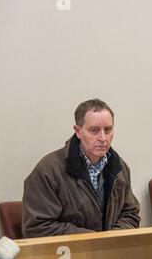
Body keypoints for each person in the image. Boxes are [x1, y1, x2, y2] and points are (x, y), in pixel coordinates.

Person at [22, 99, 141, 238]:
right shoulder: (48, 171)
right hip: (66, 255)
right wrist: (94, 240)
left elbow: (130, 214)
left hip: (110, 253)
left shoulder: (119, 167)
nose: (103, 138)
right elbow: (37, 227)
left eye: (108, 130)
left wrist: (111, 240)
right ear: (78, 131)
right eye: (94, 130)